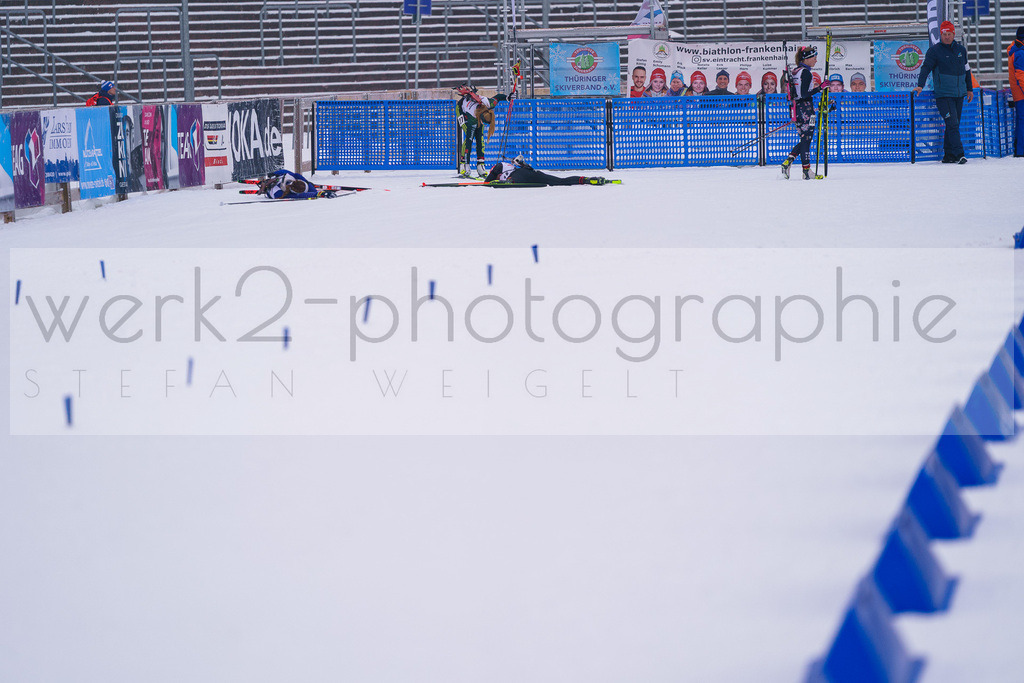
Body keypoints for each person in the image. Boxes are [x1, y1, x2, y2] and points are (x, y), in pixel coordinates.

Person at [914, 21, 974, 164]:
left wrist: (969, 88)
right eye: (944, 34)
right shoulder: (934, 51)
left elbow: (967, 70)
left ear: (954, 34)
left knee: (953, 125)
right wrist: (920, 85)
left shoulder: (961, 50)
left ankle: (949, 156)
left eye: (949, 34)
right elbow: (926, 68)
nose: (947, 37)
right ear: (940, 35)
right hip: (944, 95)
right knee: (952, 124)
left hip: (959, 94)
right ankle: (960, 154)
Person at [780, 45, 828, 180]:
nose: (816, 60)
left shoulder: (796, 71)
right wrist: (821, 88)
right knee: (806, 140)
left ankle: (788, 162)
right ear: (806, 58)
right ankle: (806, 171)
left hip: (796, 109)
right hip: (806, 109)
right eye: (814, 57)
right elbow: (805, 94)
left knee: (804, 139)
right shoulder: (806, 72)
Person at [455, 84, 507, 177]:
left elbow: (498, 97)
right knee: (469, 137)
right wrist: (467, 164)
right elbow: (469, 143)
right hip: (462, 110)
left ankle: (480, 165)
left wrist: (509, 97)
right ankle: (464, 166)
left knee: (480, 138)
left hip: (476, 112)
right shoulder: (473, 116)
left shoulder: (489, 104)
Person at [484, 154, 607, 186]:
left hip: (519, 174)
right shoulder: (509, 167)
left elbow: (495, 171)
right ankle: (587, 180)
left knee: (514, 179)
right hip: (530, 174)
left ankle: (511, 182)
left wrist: (487, 182)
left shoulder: (500, 167)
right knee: (560, 181)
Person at [257, 169, 333, 199]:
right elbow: (302, 195)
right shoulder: (281, 194)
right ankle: (266, 187)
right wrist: (319, 193)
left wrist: (274, 173)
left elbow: (300, 178)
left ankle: (268, 182)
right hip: (273, 191)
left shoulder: (292, 177)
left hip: (280, 180)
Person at [1009, 26, 1024, 156]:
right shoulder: (1020, 53)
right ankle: (1021, 150)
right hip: (1022, 93)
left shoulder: (1016, 50)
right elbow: (1021, 76)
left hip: (1018, 93)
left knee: (1021, 121)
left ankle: (1020, 149)